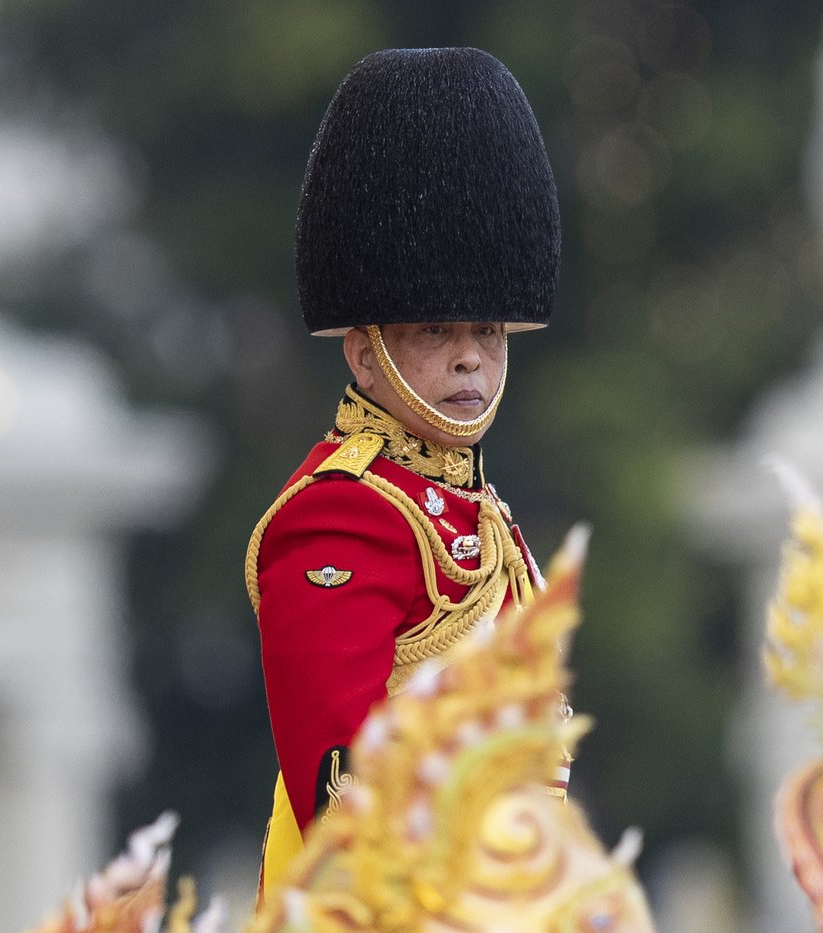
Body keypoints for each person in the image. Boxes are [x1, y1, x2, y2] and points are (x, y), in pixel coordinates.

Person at [244, 46, 562, 895]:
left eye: (487, 333)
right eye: (434, 332)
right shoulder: (339, 514)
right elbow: (347, 801)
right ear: (363, 351)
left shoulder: (483, 512)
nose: (470, 360)